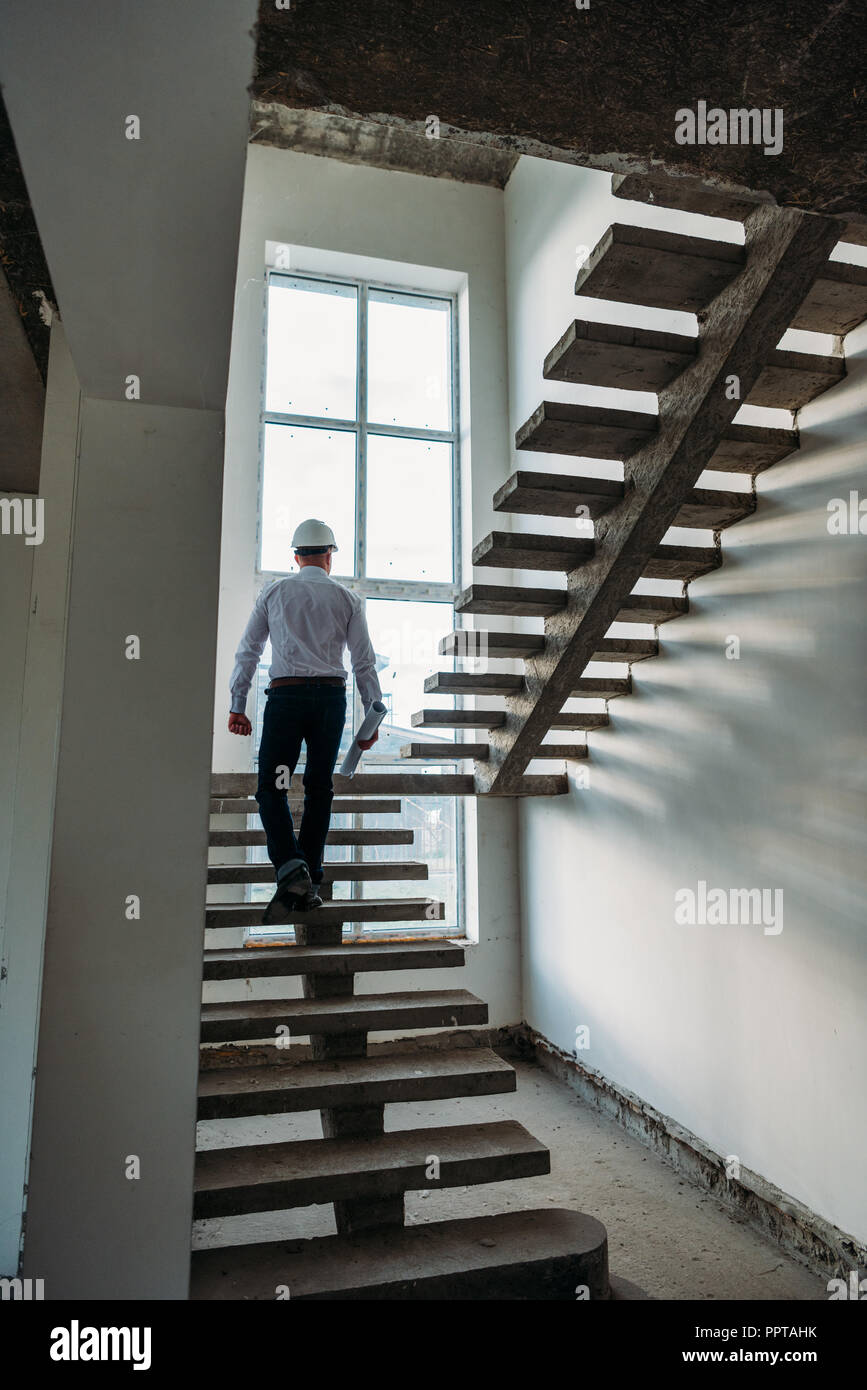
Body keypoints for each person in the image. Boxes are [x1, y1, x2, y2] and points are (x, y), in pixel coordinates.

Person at [227, 519, 382, 923]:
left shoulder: (275, 593)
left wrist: (237, 703)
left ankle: (290, 869)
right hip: (331, 701)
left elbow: (248, 652)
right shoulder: (348, 599)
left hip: (287, 698)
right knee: (318, 788)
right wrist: (371, 717)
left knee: (273, 786)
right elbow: (363, 661)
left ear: (296, 557)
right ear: (329, 556)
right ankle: (308, 879)